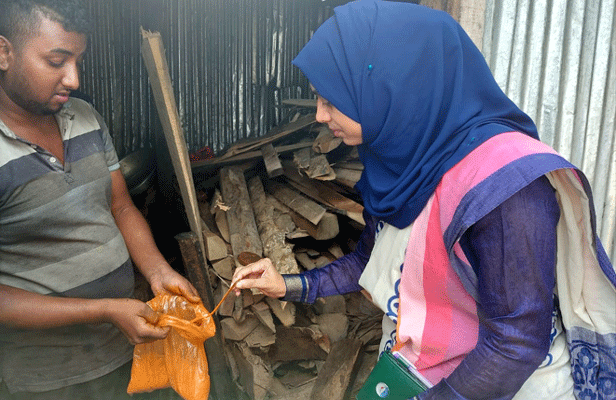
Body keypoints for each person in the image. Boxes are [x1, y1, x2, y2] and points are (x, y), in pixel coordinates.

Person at [232, 1, 616, 399]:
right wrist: (289, 285)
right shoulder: (400, 158)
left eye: (331, 100)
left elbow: (514, 344)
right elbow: (372, 259)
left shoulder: (504, 184)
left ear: (389, 83)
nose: (319, 116)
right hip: (415, 376)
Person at [0, 0, 200, 398]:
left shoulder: (85, 116)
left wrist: (158, 272)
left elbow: (120, 206)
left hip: (126, 348)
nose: (73, 78)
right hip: (51, 378)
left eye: (78, 59)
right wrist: (106, 309)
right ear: (3, 52)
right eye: (57, 61)